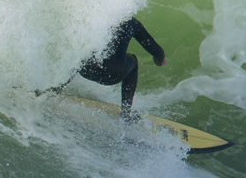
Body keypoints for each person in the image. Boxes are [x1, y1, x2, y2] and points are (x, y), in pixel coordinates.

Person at [38, 17, 167, 121]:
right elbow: (158, 53)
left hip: (88, 70)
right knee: (133, 61)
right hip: (114, 74)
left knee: (77, 57)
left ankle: (53, 91)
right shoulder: (131, 23)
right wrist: (160, 60)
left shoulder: (95, 16)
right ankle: (126, 113)